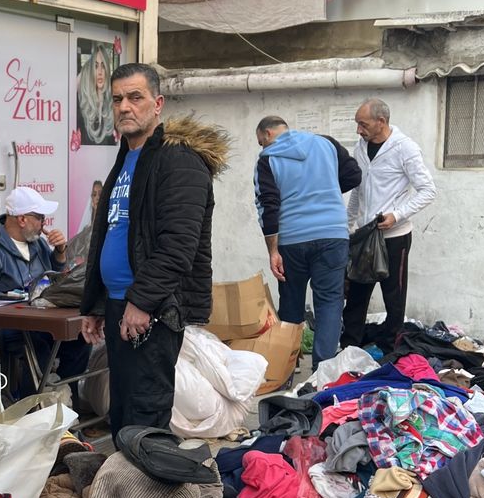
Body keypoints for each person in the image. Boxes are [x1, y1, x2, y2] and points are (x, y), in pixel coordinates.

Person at [78, 63, 228, 440]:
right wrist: (96, 303)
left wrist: (142, 302)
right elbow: (113, 234)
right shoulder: (127, 158)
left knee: (145, 416)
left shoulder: (179, 160)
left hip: (152, 310)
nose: (124, 107)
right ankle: (127, 474)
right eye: (117, 100)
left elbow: (178, 245)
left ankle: (148, 475)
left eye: (135, 97)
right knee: (122, 412)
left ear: (157, 104)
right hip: (121, 305)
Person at [254, 116, 361, 368]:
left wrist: (272, 250)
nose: (262, 147)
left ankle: (286, 367)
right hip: (332, 234)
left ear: (268, 134)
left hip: (292, 239)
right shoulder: (326, 144)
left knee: (291, 302)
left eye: (260, 142)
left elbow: (268, 206)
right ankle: (322, 370)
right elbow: (354, 175)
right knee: (330, 302)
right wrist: (328, 189)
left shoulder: (267, 159)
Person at [0, 186, 90, 397]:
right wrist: (22, 297)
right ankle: (30, 406)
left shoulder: (39, 244)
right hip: (0, 328)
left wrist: (60, 253)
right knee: (37, 345)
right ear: (22, 219)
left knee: (81, 340)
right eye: (40, 218)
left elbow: (55, 281)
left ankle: (65, 400)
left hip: (40, 324)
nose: (44, 224)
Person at [342, 98, 436, 352]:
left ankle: (391, 349)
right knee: (357, 293)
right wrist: (347, 225)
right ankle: (349, 346)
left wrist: (397, 215)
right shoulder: (360, 148)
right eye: (357, 124)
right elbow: (357, 191)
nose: (358, 130)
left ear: (381, 121)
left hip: (394, 236)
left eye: (363, 124)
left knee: (393, 296)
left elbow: (428, 190)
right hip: (365, 236)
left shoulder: (405, 148)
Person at [77, 44, 114, 145]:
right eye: (96, 66)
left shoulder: (112, 105)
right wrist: (85, 71)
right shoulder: (83, 107)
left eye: (103, 66)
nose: (100, 72)